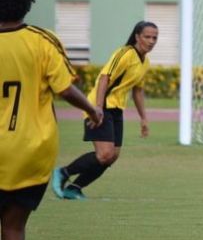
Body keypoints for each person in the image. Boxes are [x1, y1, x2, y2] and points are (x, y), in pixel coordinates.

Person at [0, 0, 102, 240]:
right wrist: (92, 109)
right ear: (28, 1)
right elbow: (66, 88)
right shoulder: (43, 42)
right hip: (33, 149)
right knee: (14, 224)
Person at [51, 21, 158, 200]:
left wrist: (144, 118)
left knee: (112, 156)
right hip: (99, 105)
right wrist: (97, 108)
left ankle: (74, 188)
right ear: (137, 37)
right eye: (147, 36)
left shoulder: (145, 62)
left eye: (155, 37)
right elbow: (103, 78)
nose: (152, 41)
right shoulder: (124, 53)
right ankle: (63, 172)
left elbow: (137, 90)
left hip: (116, 109)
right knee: (104, 154)